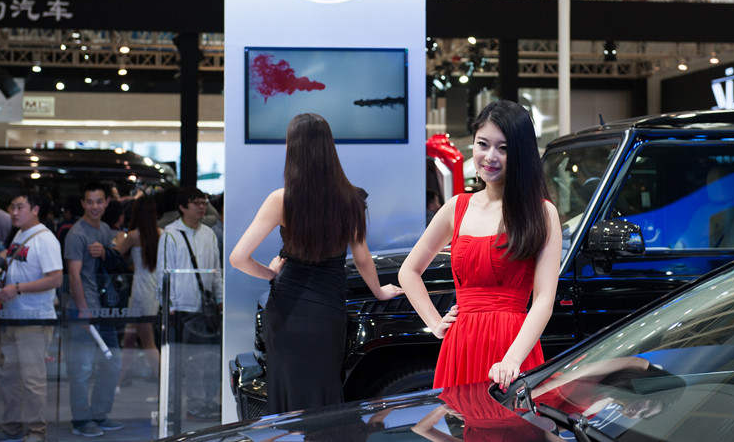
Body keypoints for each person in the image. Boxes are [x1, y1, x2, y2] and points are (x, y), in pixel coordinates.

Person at [229, 113, 403, 414]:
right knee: (324, 395)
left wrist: (270, 272)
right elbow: (362, 259)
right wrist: (379, 292)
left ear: (292, 149)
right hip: (328, 311)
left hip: (287, 310)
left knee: (286, 399)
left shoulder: (281, 200)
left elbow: (238, 258)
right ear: (328, 149)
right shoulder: (351, 199)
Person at [399, 100, 562, 391]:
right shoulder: (456, 208)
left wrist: (511, 360)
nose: (490, 156)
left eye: (504, 148)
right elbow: (408, 271)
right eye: (482, 144)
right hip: (460, 346)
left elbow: (543, 301)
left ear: (521, 153)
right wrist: (435, 323)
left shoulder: (541, 213)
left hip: (512, 349)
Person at [0, 190, 63, 442]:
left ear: (35, 209)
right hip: (13, 316)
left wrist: (18, 289)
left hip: (34, 319)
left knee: (32, 379)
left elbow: (55, 278)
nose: (13, 212)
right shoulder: (21, 234)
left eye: (19, 207)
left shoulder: (45, 240)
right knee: (9, 377)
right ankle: (12, 426)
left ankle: (37, 431)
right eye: (12, 207)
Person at [155, 187, 222, 424]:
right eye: (197, 203)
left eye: (204, 202)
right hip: (179, 309)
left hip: (203, 309)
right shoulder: (171, 235)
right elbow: (164, 273)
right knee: (176, 363)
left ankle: (197, 404)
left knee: (202, 361)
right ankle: (172, 408)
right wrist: (168, 306)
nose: (202, 207)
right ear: (183, 207)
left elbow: (216, 272)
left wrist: (221, 299)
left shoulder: (209, 234)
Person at [64, 182, 124, 437]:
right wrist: (82, 310)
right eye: (90, 201)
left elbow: (113, 262)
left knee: (113, 363)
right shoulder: (76, 234)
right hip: (85, 311)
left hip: (105, 309)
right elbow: (74, 275)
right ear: (83, 204)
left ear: (106, 203)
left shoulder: (106, 229)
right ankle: (81, 420)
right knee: (82, 368)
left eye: (99, 201)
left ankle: (99, 414)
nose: (95, 206)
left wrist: (105, 253)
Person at [112, 195, 161, 385]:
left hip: (139, 290)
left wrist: (117, 239)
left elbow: (116, 254)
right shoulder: (161, 233)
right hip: (153, 289)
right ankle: (119, 378)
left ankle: (162, 382)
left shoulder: (132, 236)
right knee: (131, 337)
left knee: (146, 341)